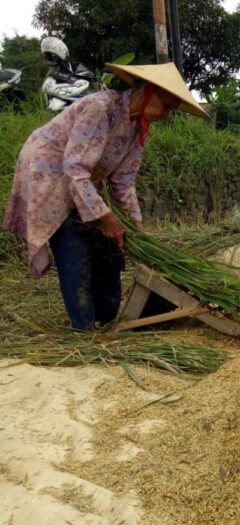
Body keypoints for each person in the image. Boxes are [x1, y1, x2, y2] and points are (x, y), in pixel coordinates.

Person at [3, 62, 208, 331]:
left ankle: (107, 317)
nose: (167, 115)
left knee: (109, 246)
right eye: (166, 106)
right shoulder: (100, 107)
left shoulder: (138, 129)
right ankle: (84, 327)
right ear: (146, 93)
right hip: (48, 172)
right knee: (73, 240)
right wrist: (107, 217)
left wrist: (136, 227)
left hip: (81, 179)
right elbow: (75, 168)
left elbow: (123, 181)